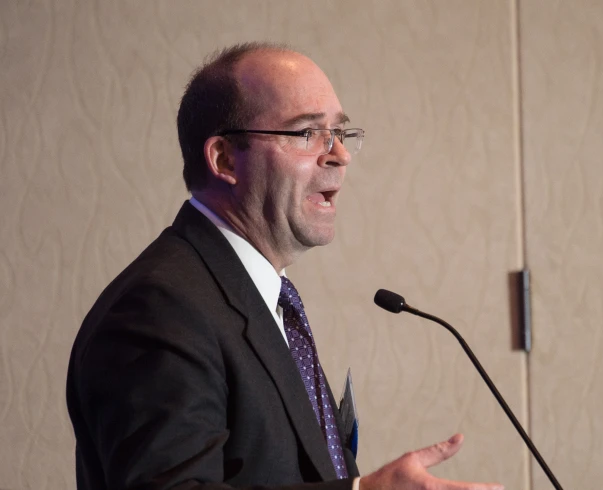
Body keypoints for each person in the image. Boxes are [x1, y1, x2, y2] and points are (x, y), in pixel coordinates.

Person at [65, 42, 503, 490]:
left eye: (339, 132)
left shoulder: (262, 299)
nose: (340, 155)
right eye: (307, 133)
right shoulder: (159, 310)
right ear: (225, 159)